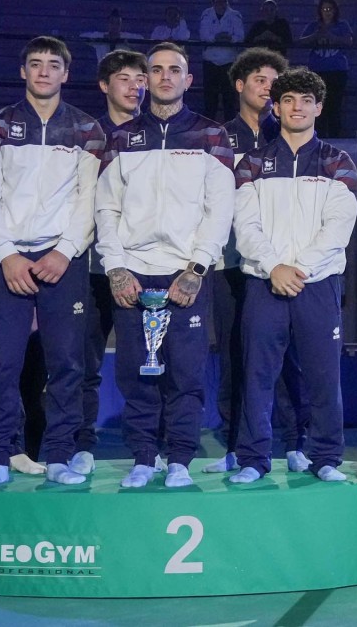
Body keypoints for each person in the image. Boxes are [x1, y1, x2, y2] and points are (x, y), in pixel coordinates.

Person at [0, 36, 106, 488]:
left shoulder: (87, 129)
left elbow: (89, 199)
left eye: (53, 64)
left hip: (64, 262)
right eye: (35, 63)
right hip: (7, 261)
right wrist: (7, 254)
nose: (44, 71)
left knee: (67, 365)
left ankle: (60, 456)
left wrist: (65, 251)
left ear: (66, 73)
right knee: (1, 365)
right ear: (22, 71)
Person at [95, 43, 234, 488]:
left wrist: (197, 269)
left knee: (186, 374)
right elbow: (106, 209)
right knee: (136, 373)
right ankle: (143, 457)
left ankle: (179, 460)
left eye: (175, 70)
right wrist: (115, 268)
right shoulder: (120, 138)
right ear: (145, 80)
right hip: (133, 273)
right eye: (156, 70)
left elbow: (220, 210)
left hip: (186, 274)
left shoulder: (211, 135)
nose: (165, 77)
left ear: (188, 80)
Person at [229, 67, 357, 484]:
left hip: (317, 284)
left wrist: (297, 269)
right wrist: (274, 267)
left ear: (319, 107)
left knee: (323, 377)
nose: (297, 107)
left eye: (306, 100)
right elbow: (245, 226)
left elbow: (338, 228)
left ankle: (326, 457)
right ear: (277, 107)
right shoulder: (252, 163)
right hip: (264, 282)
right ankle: (253, 459)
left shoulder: (338, 161)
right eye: (288, 100)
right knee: (257, 375)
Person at [203, 49, 312, 476]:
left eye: (273, 82)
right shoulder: (216, 137)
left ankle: (296, 443)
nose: (268, 88)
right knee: (235, 355)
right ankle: (234, 445)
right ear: (239, 85)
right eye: (259, 80)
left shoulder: (287, 135)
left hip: (279, 264)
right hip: (231, 262)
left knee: (287, 359)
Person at [71, 49, 147, 475]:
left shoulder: (157, 136)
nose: (135, 86)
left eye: (141, 79)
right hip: (89, 268)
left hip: (142, 268)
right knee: (83, 364)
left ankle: (148, 449)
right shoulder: (86, 135)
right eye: (124, 78)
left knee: (145, 366)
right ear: (104, 85)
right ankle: (81, 444)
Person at [293, 0, 352, 136]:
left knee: (335, 105)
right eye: (324, 9)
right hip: (317, 71)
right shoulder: (313, 26)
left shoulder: (342, 25)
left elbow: (349, 41)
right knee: (317, 106)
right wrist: (316, 35)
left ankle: (335, 138)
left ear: (335, 10)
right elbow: (301, 41)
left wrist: (331, 36)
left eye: (330, 9)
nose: (327, 12)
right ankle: (317, 138)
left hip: (337, 71)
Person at [199, 0, 244, 121]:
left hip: (229, 61)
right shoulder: (206, 15)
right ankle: (208, 127)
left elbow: (240, 36)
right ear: (213, 2)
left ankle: (230, 128)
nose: (222, 4)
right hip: (210, 61)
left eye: (225, 2)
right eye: (219, 2)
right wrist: (216, 38)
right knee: (210, 99)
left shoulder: (235, 15)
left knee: (229, 98)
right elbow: (204, 35)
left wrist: (229, 39)